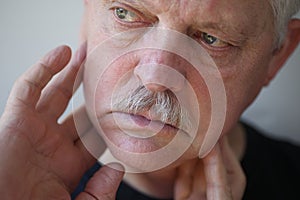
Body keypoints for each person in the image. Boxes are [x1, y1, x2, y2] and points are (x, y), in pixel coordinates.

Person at [0, 0, 300, 199]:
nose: (155, 78)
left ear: (278, 57)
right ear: (87, 11)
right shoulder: (13, 178)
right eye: (125, 14)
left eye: (211, 39)